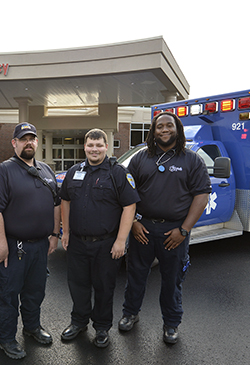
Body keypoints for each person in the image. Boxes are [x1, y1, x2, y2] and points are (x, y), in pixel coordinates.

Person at [119, 112, 211, 344]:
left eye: (169, 125)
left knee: (172, 281)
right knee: (136, 276)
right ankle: (130, 314)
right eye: (159, 126)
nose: (164, 129)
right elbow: (128, 194)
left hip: (175, 232)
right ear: (153, 131)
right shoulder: (141, 159)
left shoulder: (192, 160)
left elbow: (201, 197)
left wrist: (184, 230)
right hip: (143, 229)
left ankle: (171, 324)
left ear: (177, 129)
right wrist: (134, 223)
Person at [0, 122, 61, 359]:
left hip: (40, 245)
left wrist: (54, 234)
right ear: (14, 143)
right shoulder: (4, 172)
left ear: (37, 142)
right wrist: (1, 245)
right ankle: (6, 338)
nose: (29, 142)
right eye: (23, 139)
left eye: (32, 138)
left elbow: (56, 204)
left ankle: (32, 328)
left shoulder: (46, 170)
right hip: (13, 246)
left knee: (35, 292)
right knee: (8, 294)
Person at [59, 129, 139, 348]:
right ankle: (79, 322)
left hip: (106, 244)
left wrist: (121, 240)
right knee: (78, 285)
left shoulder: (118, 173)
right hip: (77, 242)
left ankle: (102, 327)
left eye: (99, 145)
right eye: (90, 145)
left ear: (107, 147)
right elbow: (64, 200)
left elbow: (129, 206)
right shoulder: (74, 171)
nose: (94, 149)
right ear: (84, 147)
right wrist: (65, 232)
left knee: (104, 287)